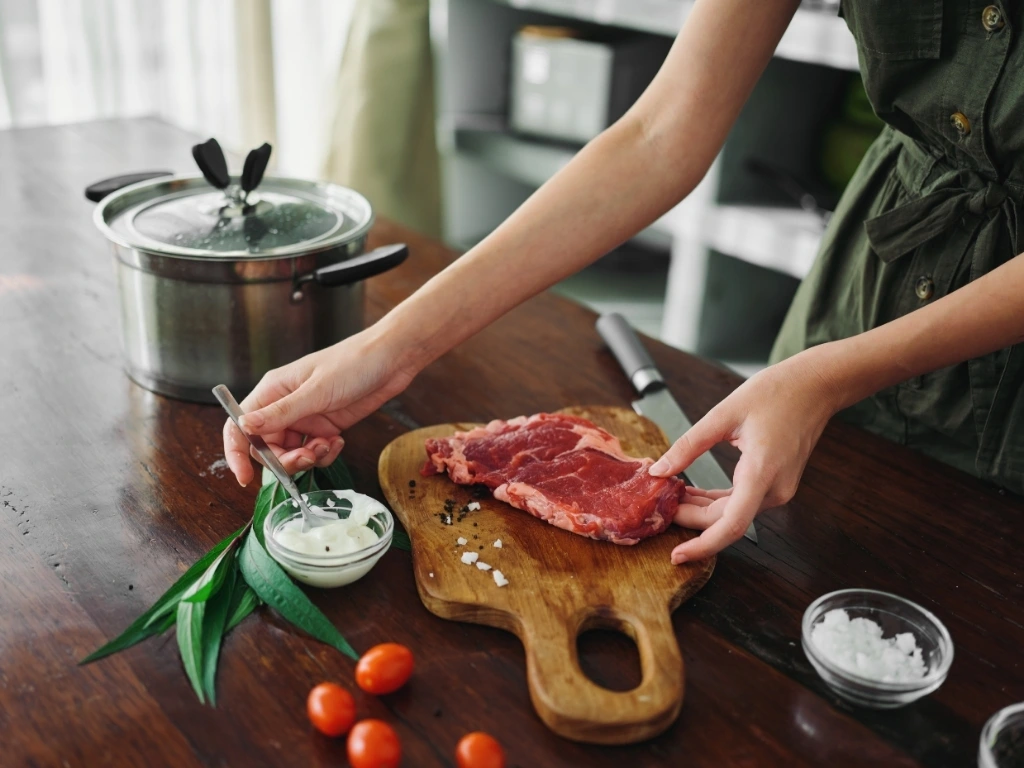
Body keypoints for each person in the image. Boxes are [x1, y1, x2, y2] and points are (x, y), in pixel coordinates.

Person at [224, 0, 1024, 565]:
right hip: (873, 279)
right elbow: (658, 132)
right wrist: (390, 347)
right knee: (791, 575)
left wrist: (829, 375)